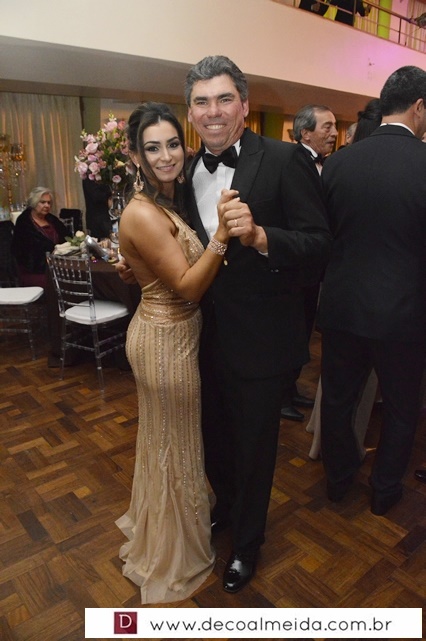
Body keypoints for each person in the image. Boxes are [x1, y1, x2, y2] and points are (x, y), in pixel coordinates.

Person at [184, 56, 332, 592]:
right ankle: (226, 508)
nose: (213, 111)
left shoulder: (285, 159)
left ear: (244, 105)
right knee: (214, 441)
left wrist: (262, 236)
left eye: (224, 99)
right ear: (190, 112)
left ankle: (247, 544)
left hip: (264, 343)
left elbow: (320, 244)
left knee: (254, 450)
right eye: (202, 101)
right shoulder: (183, 172)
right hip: (202, 339)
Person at [115, 102, 235, 604]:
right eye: (152, 148)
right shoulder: (143, 212)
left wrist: (137, 268)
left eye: (171, 144)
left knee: (167, 441)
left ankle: (165, 530)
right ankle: (170, 553)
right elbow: (187, 287)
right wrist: (223, 236)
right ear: (135, 156)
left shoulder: (163, 199)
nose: (166, 156)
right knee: (175, 446)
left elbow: (159, 265)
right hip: (165, 343)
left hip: (171, 334)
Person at [318, 66, 426, 516]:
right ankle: (384, 491)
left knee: (338, 400)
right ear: (419, 106)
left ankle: (338, 480)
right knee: (401, 408)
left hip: (343, 306)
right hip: (404, 313)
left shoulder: (339, 162)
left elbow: (324, 236)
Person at [306, 97, 383, 460]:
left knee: (335, 385)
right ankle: (349, 451)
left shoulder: (337, 165)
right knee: (362, 388)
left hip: (339, 291)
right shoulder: (406, 165)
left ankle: (328, 452)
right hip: (382, 298)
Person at [280, 104, 337, 423]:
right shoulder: (293, 161)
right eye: (327, 127)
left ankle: (289, 390)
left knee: (302, 332)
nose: (334, 133)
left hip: (312, 265)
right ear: (305, 133)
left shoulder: (326, 163)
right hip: (295, 265)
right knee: (291, 332)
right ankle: (280, 395)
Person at [12, 186, 67, 288]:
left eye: (49, 203)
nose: (47, 205)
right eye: (43, 202)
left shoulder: (52, 219)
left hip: (58, 266)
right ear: (34, 203)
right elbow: (27, 253)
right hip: (34, 270)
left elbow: (67, 238)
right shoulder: (24, 222)